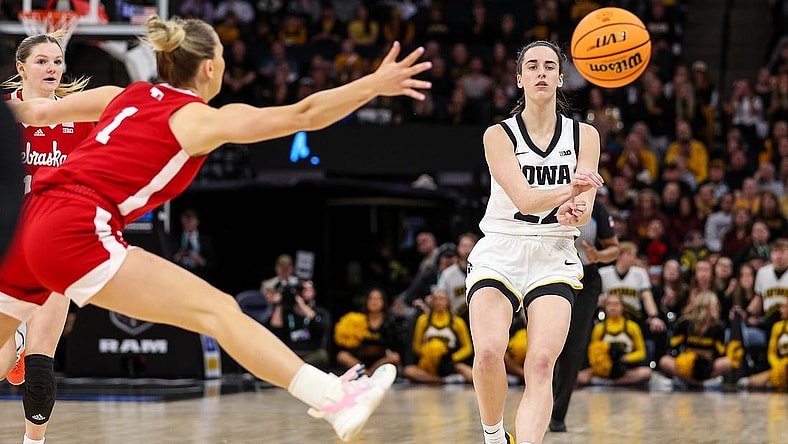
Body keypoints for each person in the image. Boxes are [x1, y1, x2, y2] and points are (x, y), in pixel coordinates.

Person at [1, 15, 432, 442]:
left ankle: (335, 395)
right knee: (219, 311)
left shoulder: (126, 95)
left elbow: (34, 110)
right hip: (75, 225)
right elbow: (305, 114)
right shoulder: (196, 119)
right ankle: (335, 397)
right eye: (223, 55)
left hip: (30, 220)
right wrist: (373, 85)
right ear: (209, 67)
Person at [465, 40, 604, 444]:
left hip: (554, 251)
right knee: (489, 353)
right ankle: (494, 436)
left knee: (541, 364)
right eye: (532, 66)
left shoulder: (586, 135)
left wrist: (574, 211)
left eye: (549, 66)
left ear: (560, 78)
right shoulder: (498, 135)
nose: (541, 72)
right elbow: (525, 199)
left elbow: (585, 205)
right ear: (520, 78)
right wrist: (569, 193)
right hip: (502, 247)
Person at [0, 30, 95, 444]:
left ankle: (32, 442)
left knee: (40, 369)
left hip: (54, 248)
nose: (52, 68)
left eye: (57, 61)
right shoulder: (5, 115)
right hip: (6, 246)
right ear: (21, 67)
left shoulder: (82, 119)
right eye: (41, 61)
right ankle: (14, 345)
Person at [550, 197, 620, 433]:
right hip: (551, 276)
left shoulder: (598, 208)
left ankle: (557, 415)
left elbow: (615, 249)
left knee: (574, 347)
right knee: (548, 346)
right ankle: (540, 404)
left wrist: (598, 256)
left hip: (586, 280)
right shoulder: (549, 198)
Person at [658, 290, 733, 389]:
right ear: (705, 307)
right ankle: (699, 384)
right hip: (685, 364)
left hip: (707, 366)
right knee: (664, 361)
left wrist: (706, 363)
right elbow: (673, 347)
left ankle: (688, 382)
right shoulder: (684, 323)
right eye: (713, 306)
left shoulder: (718, 328)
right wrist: (683, 361)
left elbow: (720, 353)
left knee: (727, 362)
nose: (716, 309)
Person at [576, 293, 653, 387]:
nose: (613, 307)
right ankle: (605, 379)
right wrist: (603, 363)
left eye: (616, 304)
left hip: (625, 367)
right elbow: (593, 352)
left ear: (622, 307)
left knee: (646, 373)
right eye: (609, 304)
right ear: (605, 307)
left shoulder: (632, 327)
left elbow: (642, 353)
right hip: (604, 368)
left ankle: (609, 382)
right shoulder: (599, 329)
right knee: (579, 377)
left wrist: (625, 358)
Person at [401, 288, 473, 384]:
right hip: (427, 361)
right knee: (409, 371)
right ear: (432, 302)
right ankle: (442, 380)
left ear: (448, 301)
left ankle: (448, 376)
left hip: (448, 360)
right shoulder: (423, 320)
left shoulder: (457, 322)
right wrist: (430, 352)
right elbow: (416, 346)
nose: (439, 302)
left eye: (442, 299)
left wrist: (453, 358)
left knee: (468, 372)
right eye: (436, 299)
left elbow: (467, 347)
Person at [333, 287, 402, 376]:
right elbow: (350, 345)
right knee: (341, 355)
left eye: (378, 298)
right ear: (366, 301)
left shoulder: (390, 321)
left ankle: (370, 372)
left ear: (383, 302)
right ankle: (365, 371)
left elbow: (395, 346)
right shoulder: (356, 319)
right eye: (371, 298)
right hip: (360, 359)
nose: (374, 302)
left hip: (381, 360)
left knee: (395, 357)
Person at [264, 280, 332, 370]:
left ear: (314, 292)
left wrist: (301, 305)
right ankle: (298, 368)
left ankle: (297, 369)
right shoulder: (286, 312)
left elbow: (323, 327)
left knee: (322, 356)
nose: (303, 292)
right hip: (290, 353)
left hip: (311, 353)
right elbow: (273, 329)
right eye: (301, 290)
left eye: (307, 289)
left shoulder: (320, 312)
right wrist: (279, 304)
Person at [736, 300, 788, 391]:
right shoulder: (777, 327)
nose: (781, 310)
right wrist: (778, 367)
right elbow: (771, 353)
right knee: (748, 382)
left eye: (784, 307)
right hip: (779, 368)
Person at [172, 208, 216, 283]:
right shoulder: (175, 238)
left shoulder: (205, 239)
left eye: (191, 219)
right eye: (185, 219)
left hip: (200, 277)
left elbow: (213, 264)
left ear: (197, 221)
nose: (189, 223)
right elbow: (167, 258)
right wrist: (178, 256)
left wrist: (201, 260)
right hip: (180, 276)